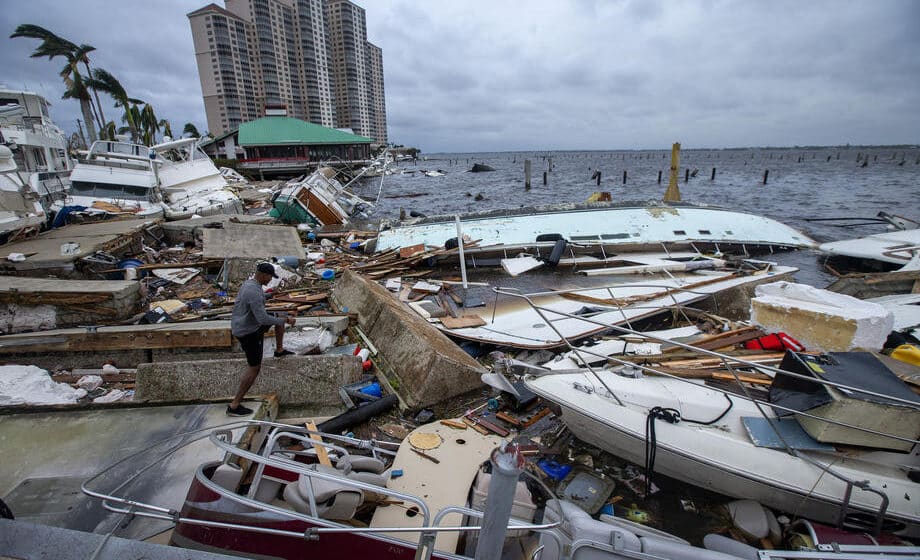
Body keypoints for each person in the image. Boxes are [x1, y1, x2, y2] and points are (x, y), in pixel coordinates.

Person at [227, 262, 296, 416]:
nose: (271, 280)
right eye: (270, 277)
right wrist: (286, 320)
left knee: (278, 317)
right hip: (248, 331)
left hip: (246, 324)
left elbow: (258, 299)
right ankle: (234, 405)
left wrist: (271, 295)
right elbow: (263, 319)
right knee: (254, 367)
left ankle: (279, 350)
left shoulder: (250, 284)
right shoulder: (253, 291)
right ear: (264, 275)